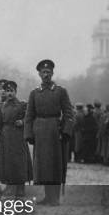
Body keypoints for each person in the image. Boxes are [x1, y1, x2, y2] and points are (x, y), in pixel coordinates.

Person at [24, 59, 74, 206]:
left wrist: (66, 131)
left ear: (52, 73)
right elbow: (29, 115)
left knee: (55, 164)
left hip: (55, 131)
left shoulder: (60, 91)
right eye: (43, 72)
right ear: (39, 74)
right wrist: (29, 134)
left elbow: (68, 113)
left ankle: (55, 198)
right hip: (40, 131)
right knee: (43, 165)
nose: (46, 75)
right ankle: (47, 196)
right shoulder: (34, 93)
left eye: (48, 72)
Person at [0, 81, 32, 197]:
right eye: (8, 91)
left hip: (19, 137)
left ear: (16, 92)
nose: (9, 93)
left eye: (12, 91)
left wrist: (23, 122)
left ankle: (20, 189)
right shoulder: (2, 106)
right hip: (6, 138)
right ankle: (10, 188)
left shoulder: (22, 105)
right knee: (8, 164)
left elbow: (30, 118)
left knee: (19, 163)